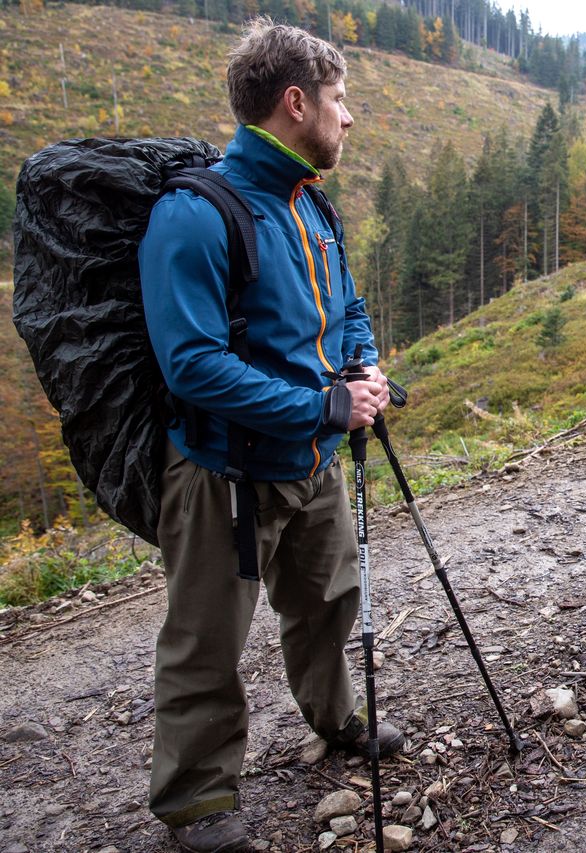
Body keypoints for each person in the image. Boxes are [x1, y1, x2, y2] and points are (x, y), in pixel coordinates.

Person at [139, 19, 402, 853]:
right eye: (339, 100)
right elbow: (192, 365)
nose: (348, 117)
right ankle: (195, 799)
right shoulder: (196, 215)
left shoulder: (310, 204)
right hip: (224, 474)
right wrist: (323, 407)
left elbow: (346, 311)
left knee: (328, 603)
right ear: (297, 104)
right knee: (205, 640)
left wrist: (362, 372)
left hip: (314, 462)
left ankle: (335, 717)